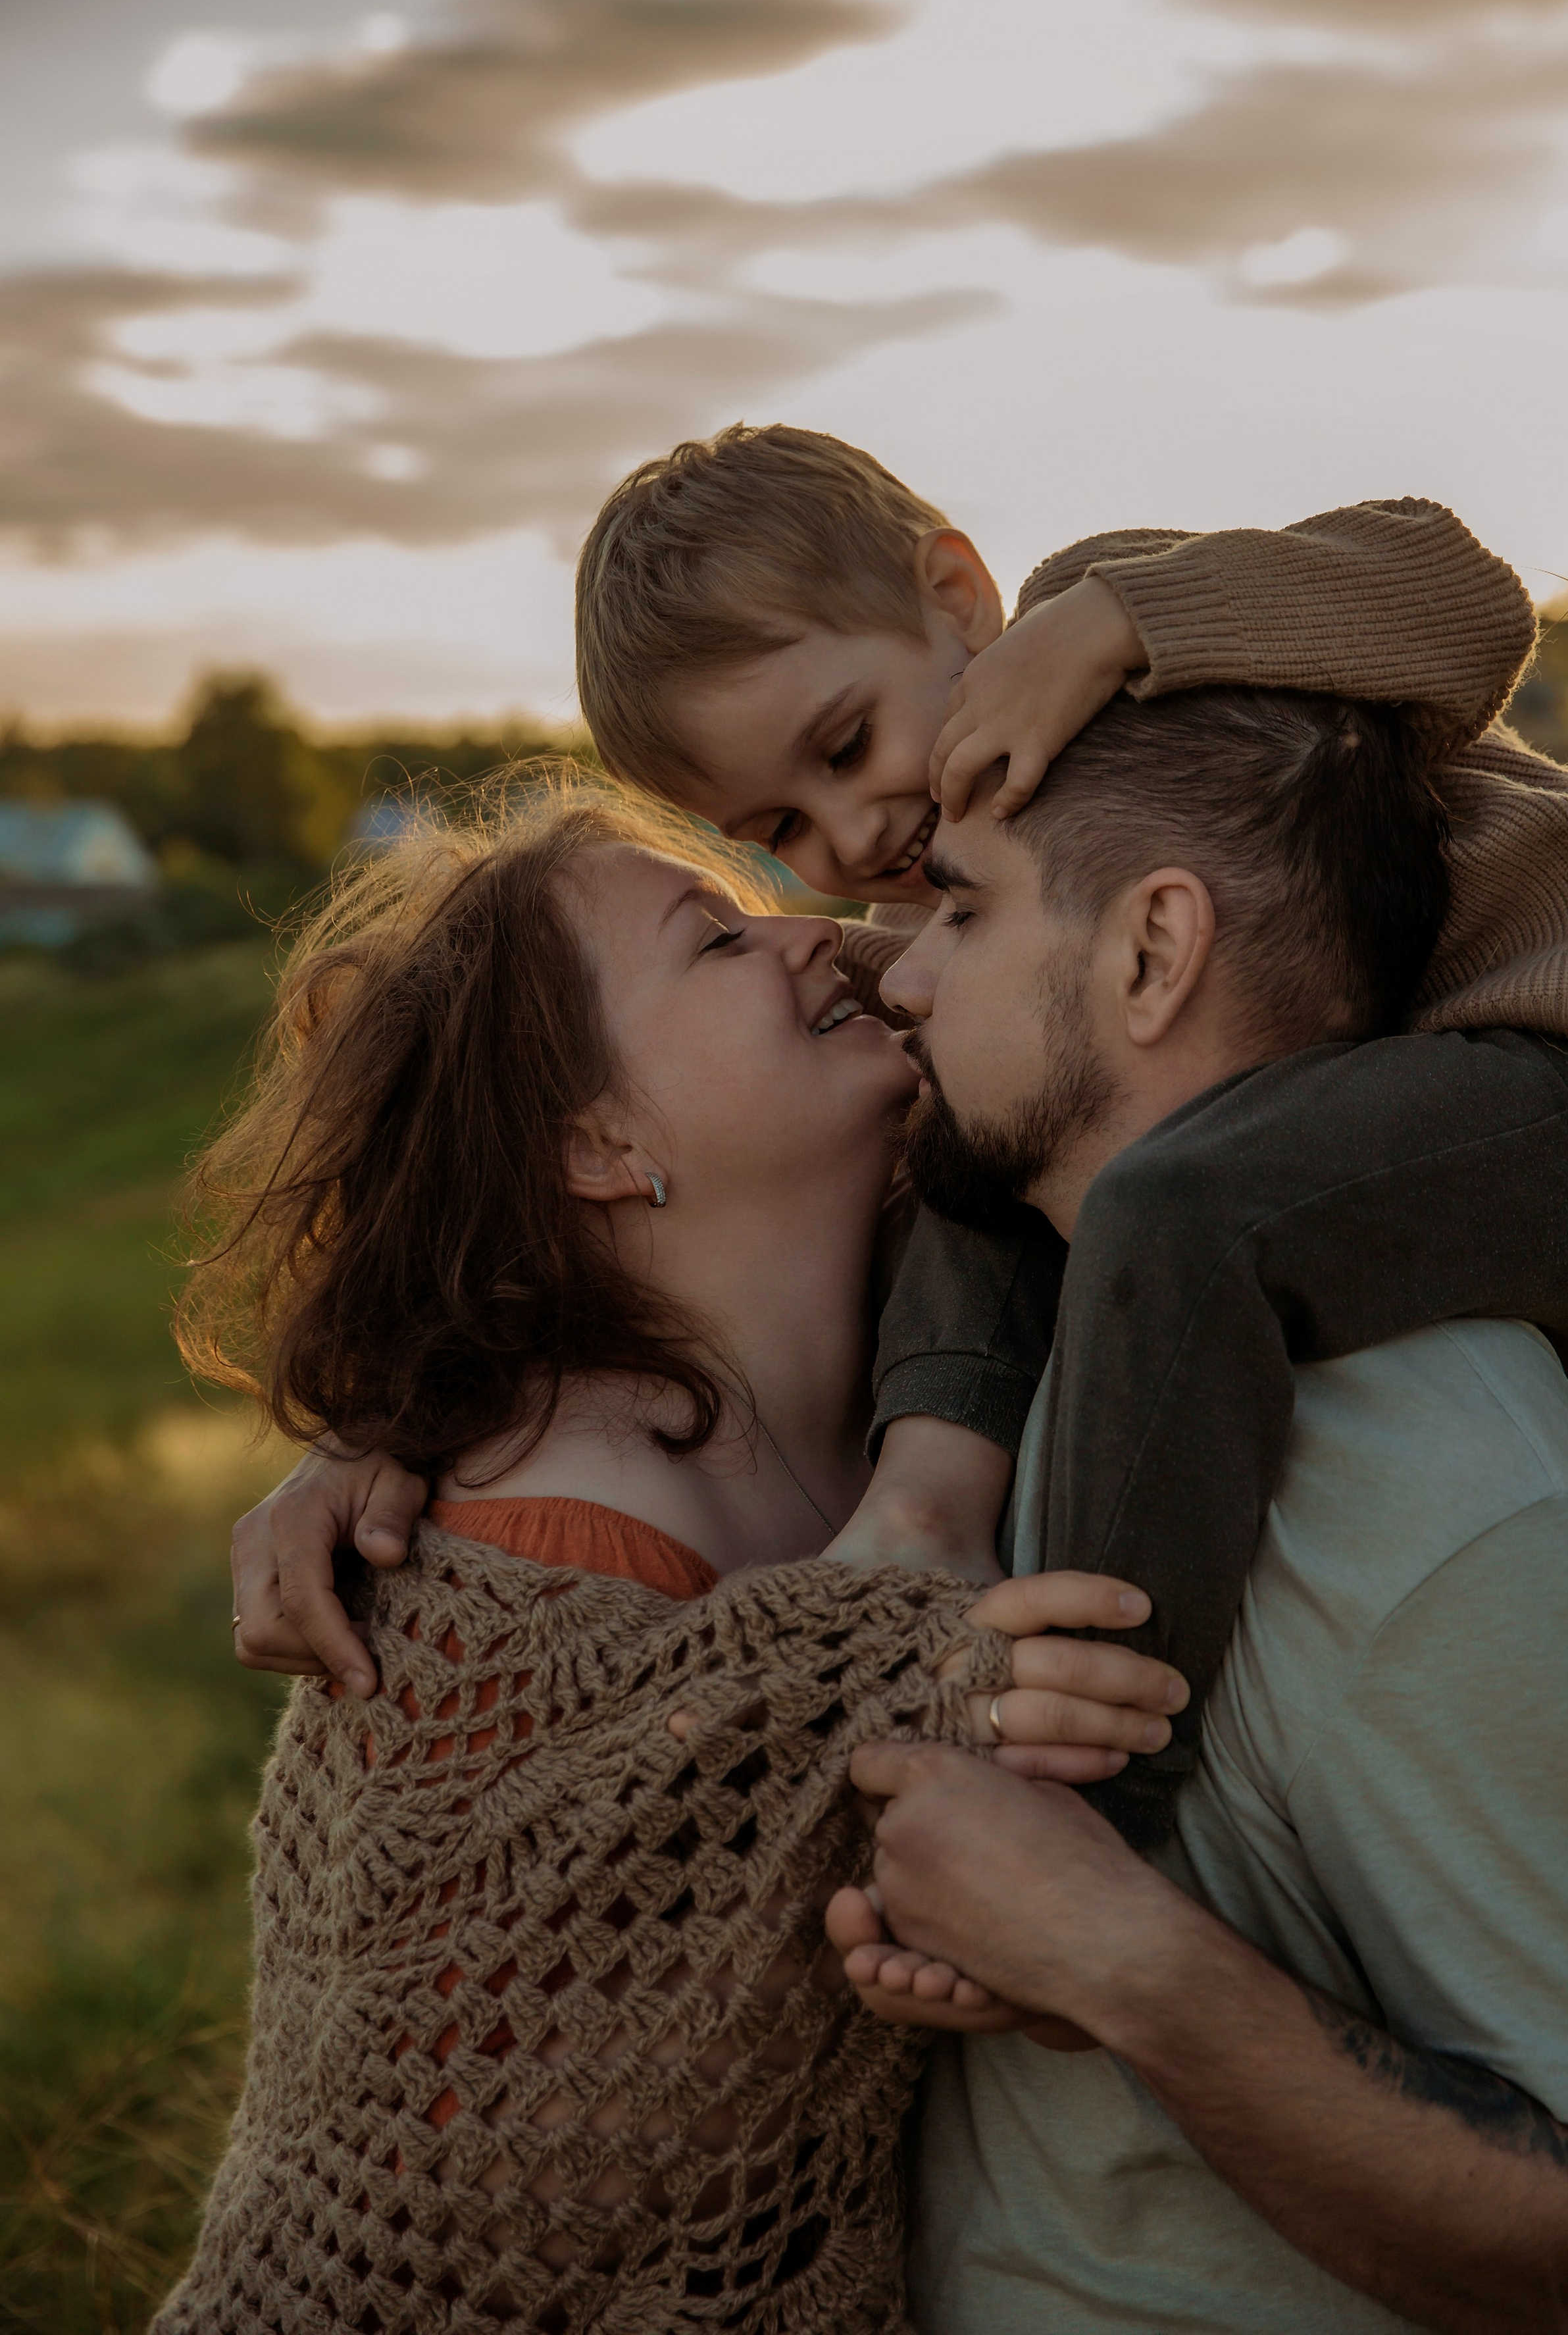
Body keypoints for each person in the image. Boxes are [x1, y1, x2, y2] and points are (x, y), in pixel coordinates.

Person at [234, 426, 1568, 1850]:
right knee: (976, 1141)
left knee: (1182, 1208)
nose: (851, 830)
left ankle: (1085, 1806)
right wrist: (385, 1432)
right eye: (774, 830)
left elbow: (1457, 596)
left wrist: (1116, 622)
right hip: (1413, 1149)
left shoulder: (1110, 639)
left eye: (848, 742)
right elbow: (673, 1113)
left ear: (954, 597)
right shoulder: (933, 912)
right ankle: (932, 1509)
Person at [155, 782, 1175, 2334]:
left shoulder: (945, 1345)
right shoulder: (523, 1564)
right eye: (714, 938)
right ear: (600, 1140)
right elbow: (514, 2188)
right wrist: (921, 1740)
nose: (815, 936)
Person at [827, 688, 1568, 2332]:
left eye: (957, 906)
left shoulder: (1435, 1499)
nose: (903, 972)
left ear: (1151, 952)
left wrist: (1110, 1953)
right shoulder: (1006, 1372)